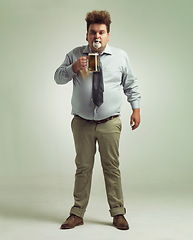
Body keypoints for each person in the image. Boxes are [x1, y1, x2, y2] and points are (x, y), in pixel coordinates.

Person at [54, 10, 141, 230]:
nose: (97, 36)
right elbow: (57, 77)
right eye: (93, 32)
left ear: (108, 35)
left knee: (112, 167)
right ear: (87, 35)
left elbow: (131, 84)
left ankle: (118, 213)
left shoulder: (120, 56)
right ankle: (77, 213)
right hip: (82, 122)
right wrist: (74, 68)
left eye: (101, 32)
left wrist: (135, 109)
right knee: (83, 168)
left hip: (110, 122)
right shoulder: (75, 55)